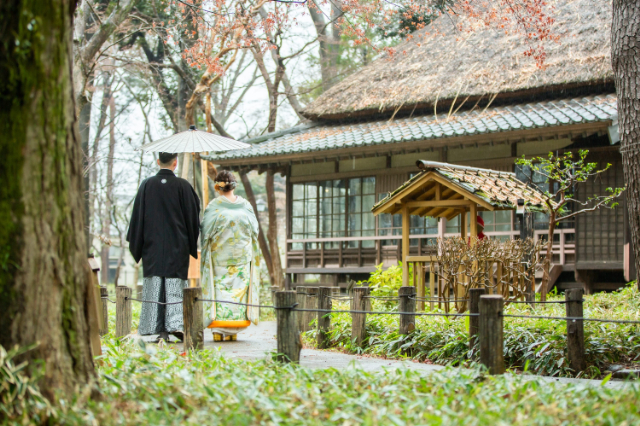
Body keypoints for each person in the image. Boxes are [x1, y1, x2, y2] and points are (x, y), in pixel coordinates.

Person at [127, 152, 201, 343]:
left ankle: (150, 328)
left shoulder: (146, 185)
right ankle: (175, 325)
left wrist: (138, 243)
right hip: (178, 244)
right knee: (175, 283)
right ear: (175, 163)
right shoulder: (184, 186)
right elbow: (193, 217)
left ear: (158, 161)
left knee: (153, 283)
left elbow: (137, 217)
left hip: (152, 245)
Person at [201, 171, 261, 341]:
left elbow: (205, 232)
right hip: (241, 257)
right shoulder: (245, 206)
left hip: (219, 257)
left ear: (217, 186)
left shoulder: (214, 206)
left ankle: (219, 329)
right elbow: (254, 232)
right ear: (234, 185)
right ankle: (233, 330)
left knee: (220, 291)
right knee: (238, 292)